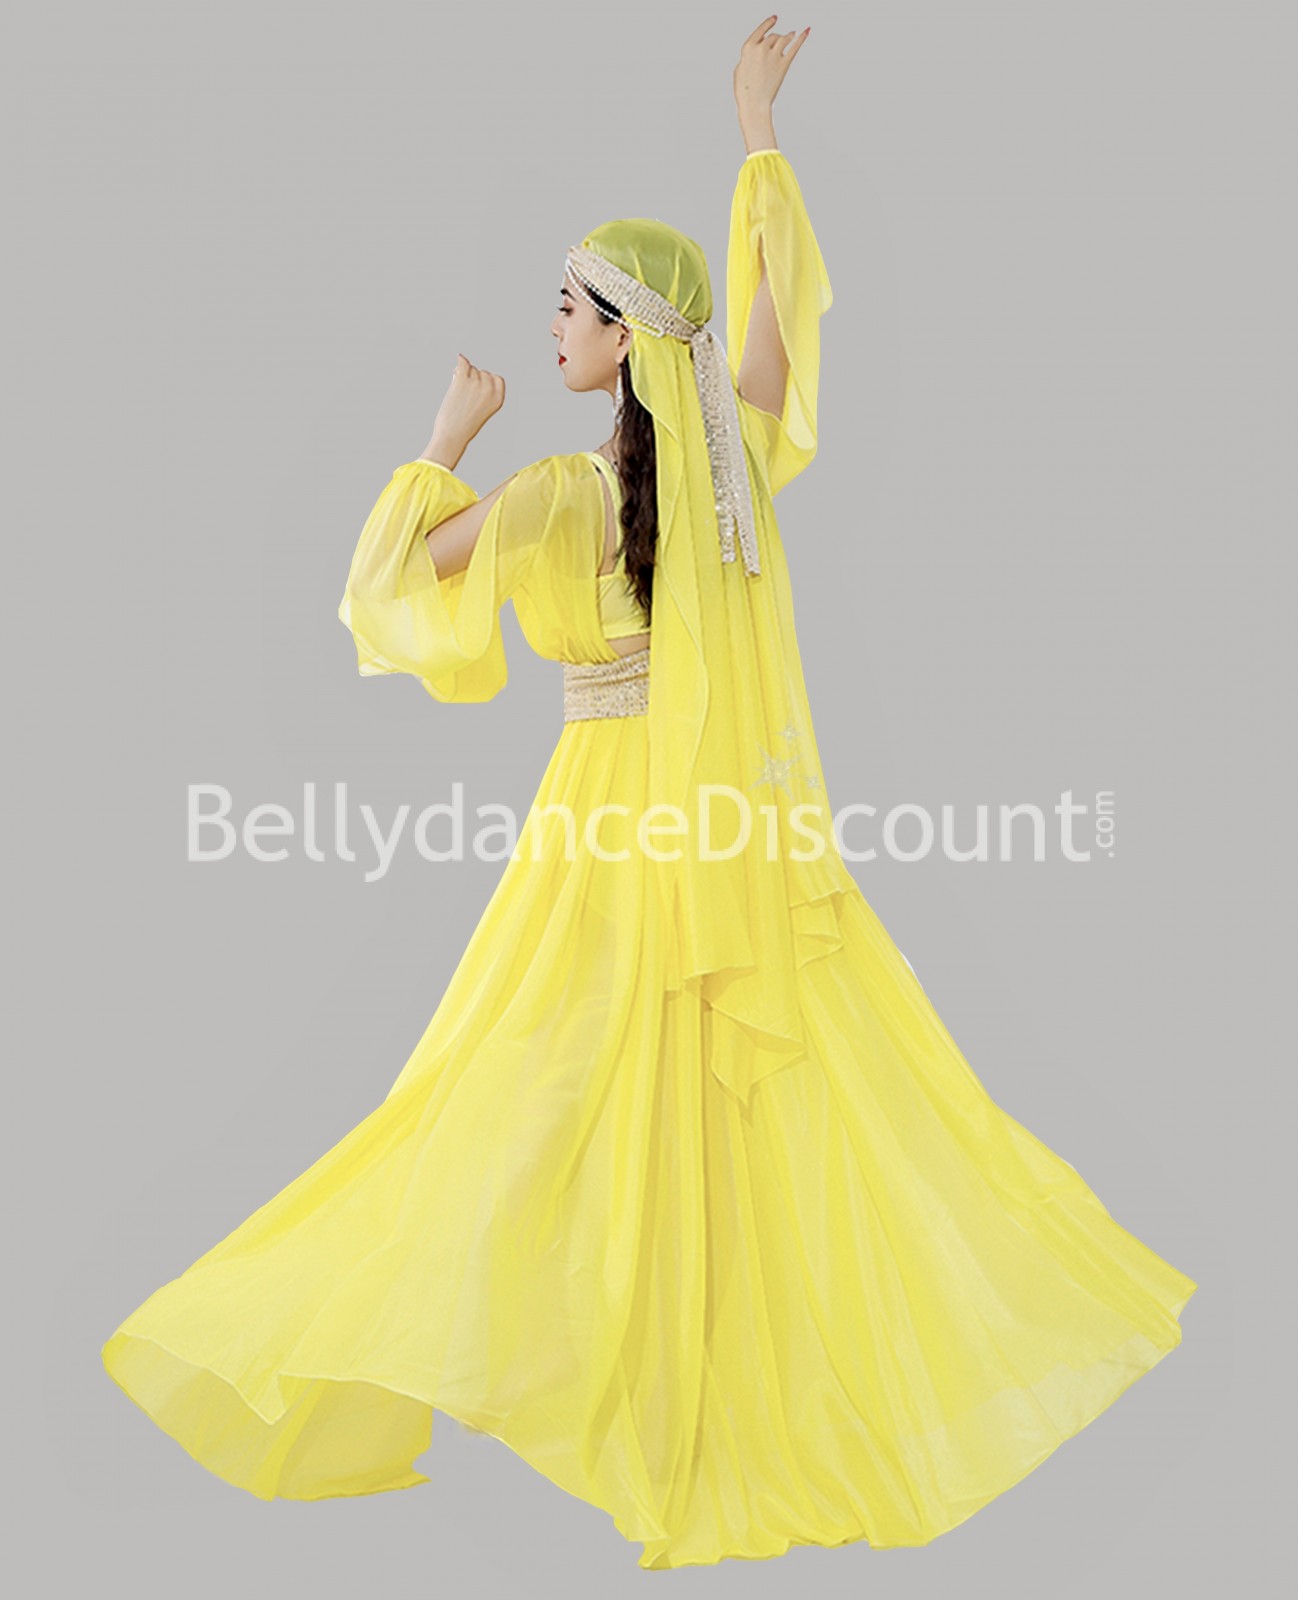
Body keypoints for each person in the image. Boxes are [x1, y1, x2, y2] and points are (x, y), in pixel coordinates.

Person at [101, 17, 1198, 1571]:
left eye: (568, 306)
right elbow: (774, 331)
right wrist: (755, 133)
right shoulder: (728, 469)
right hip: (721, 832)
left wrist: (444, 437)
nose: (550, 326)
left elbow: (392, 581)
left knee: (521, 1086)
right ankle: (670, 1398)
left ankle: (594, 1382)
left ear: (622, 337)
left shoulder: (558, 495)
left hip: (602, 825)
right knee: (713, 1098)